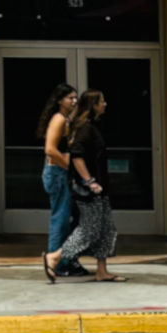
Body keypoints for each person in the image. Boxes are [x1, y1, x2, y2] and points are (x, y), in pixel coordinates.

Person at [43, 90, 125, 284]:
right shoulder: (85, 128)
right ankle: (55, 257)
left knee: (106, 229)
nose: (105, 104)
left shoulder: (92, 125)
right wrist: (89, 181)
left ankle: (102, 270)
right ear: (93, 105)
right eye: (101, 101)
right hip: (90, 188)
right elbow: (77, 156)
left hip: (100, 185)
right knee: (89, 229)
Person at [36, 83, 89, 278]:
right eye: (70, 98)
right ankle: (56, 263)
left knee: (70, 218)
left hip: (61, 173)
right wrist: (67, 164)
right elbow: (50, 149)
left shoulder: (66, 119)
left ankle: (66, 259)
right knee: (61, 218)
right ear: (59, 100)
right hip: (57, 173)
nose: (74, 101)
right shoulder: (58, 119)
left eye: (75, 98)